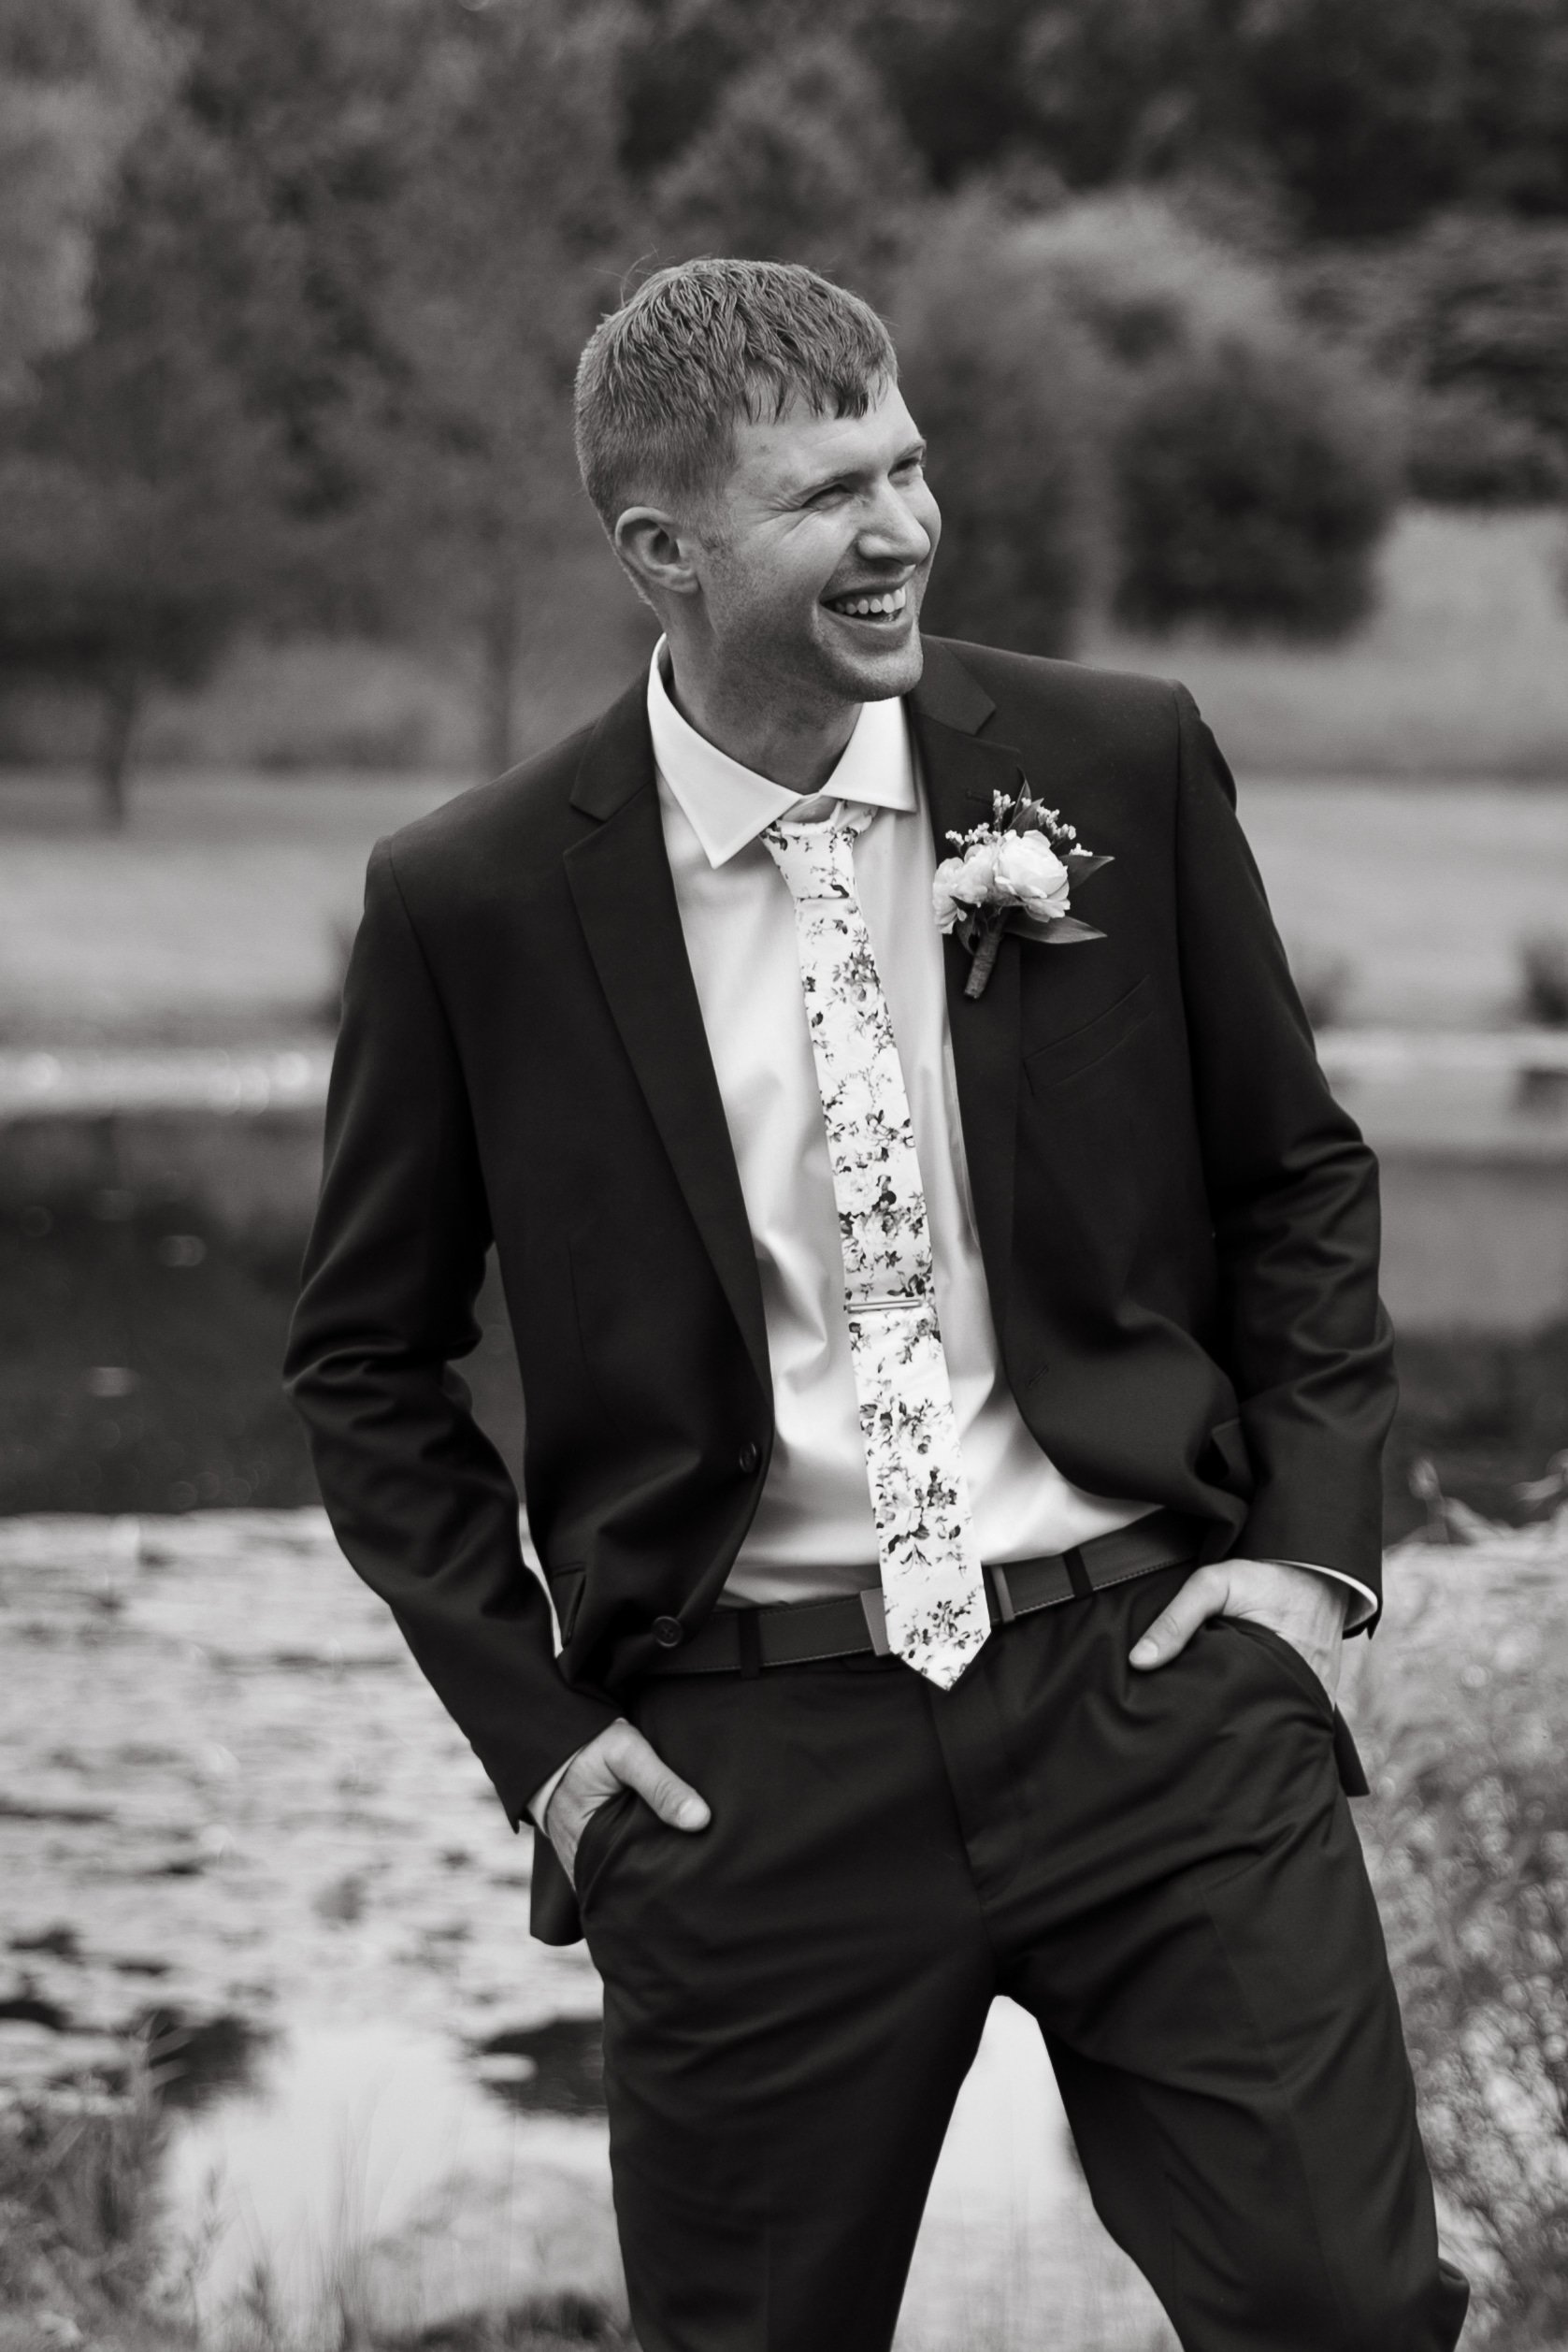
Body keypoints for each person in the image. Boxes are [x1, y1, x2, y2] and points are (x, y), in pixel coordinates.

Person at [286, 257, 1469, 2352]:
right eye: (827, 494)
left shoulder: (1111, 761)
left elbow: (1288, 1176)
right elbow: (364, 1363)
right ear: (662, 549)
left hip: (1147, 1685)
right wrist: (550, 1751)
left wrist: (1300, 1565)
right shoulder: (468, 902)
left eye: (907, 464)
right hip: (747, 1768)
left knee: (1343, 2312)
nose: (901, 527)